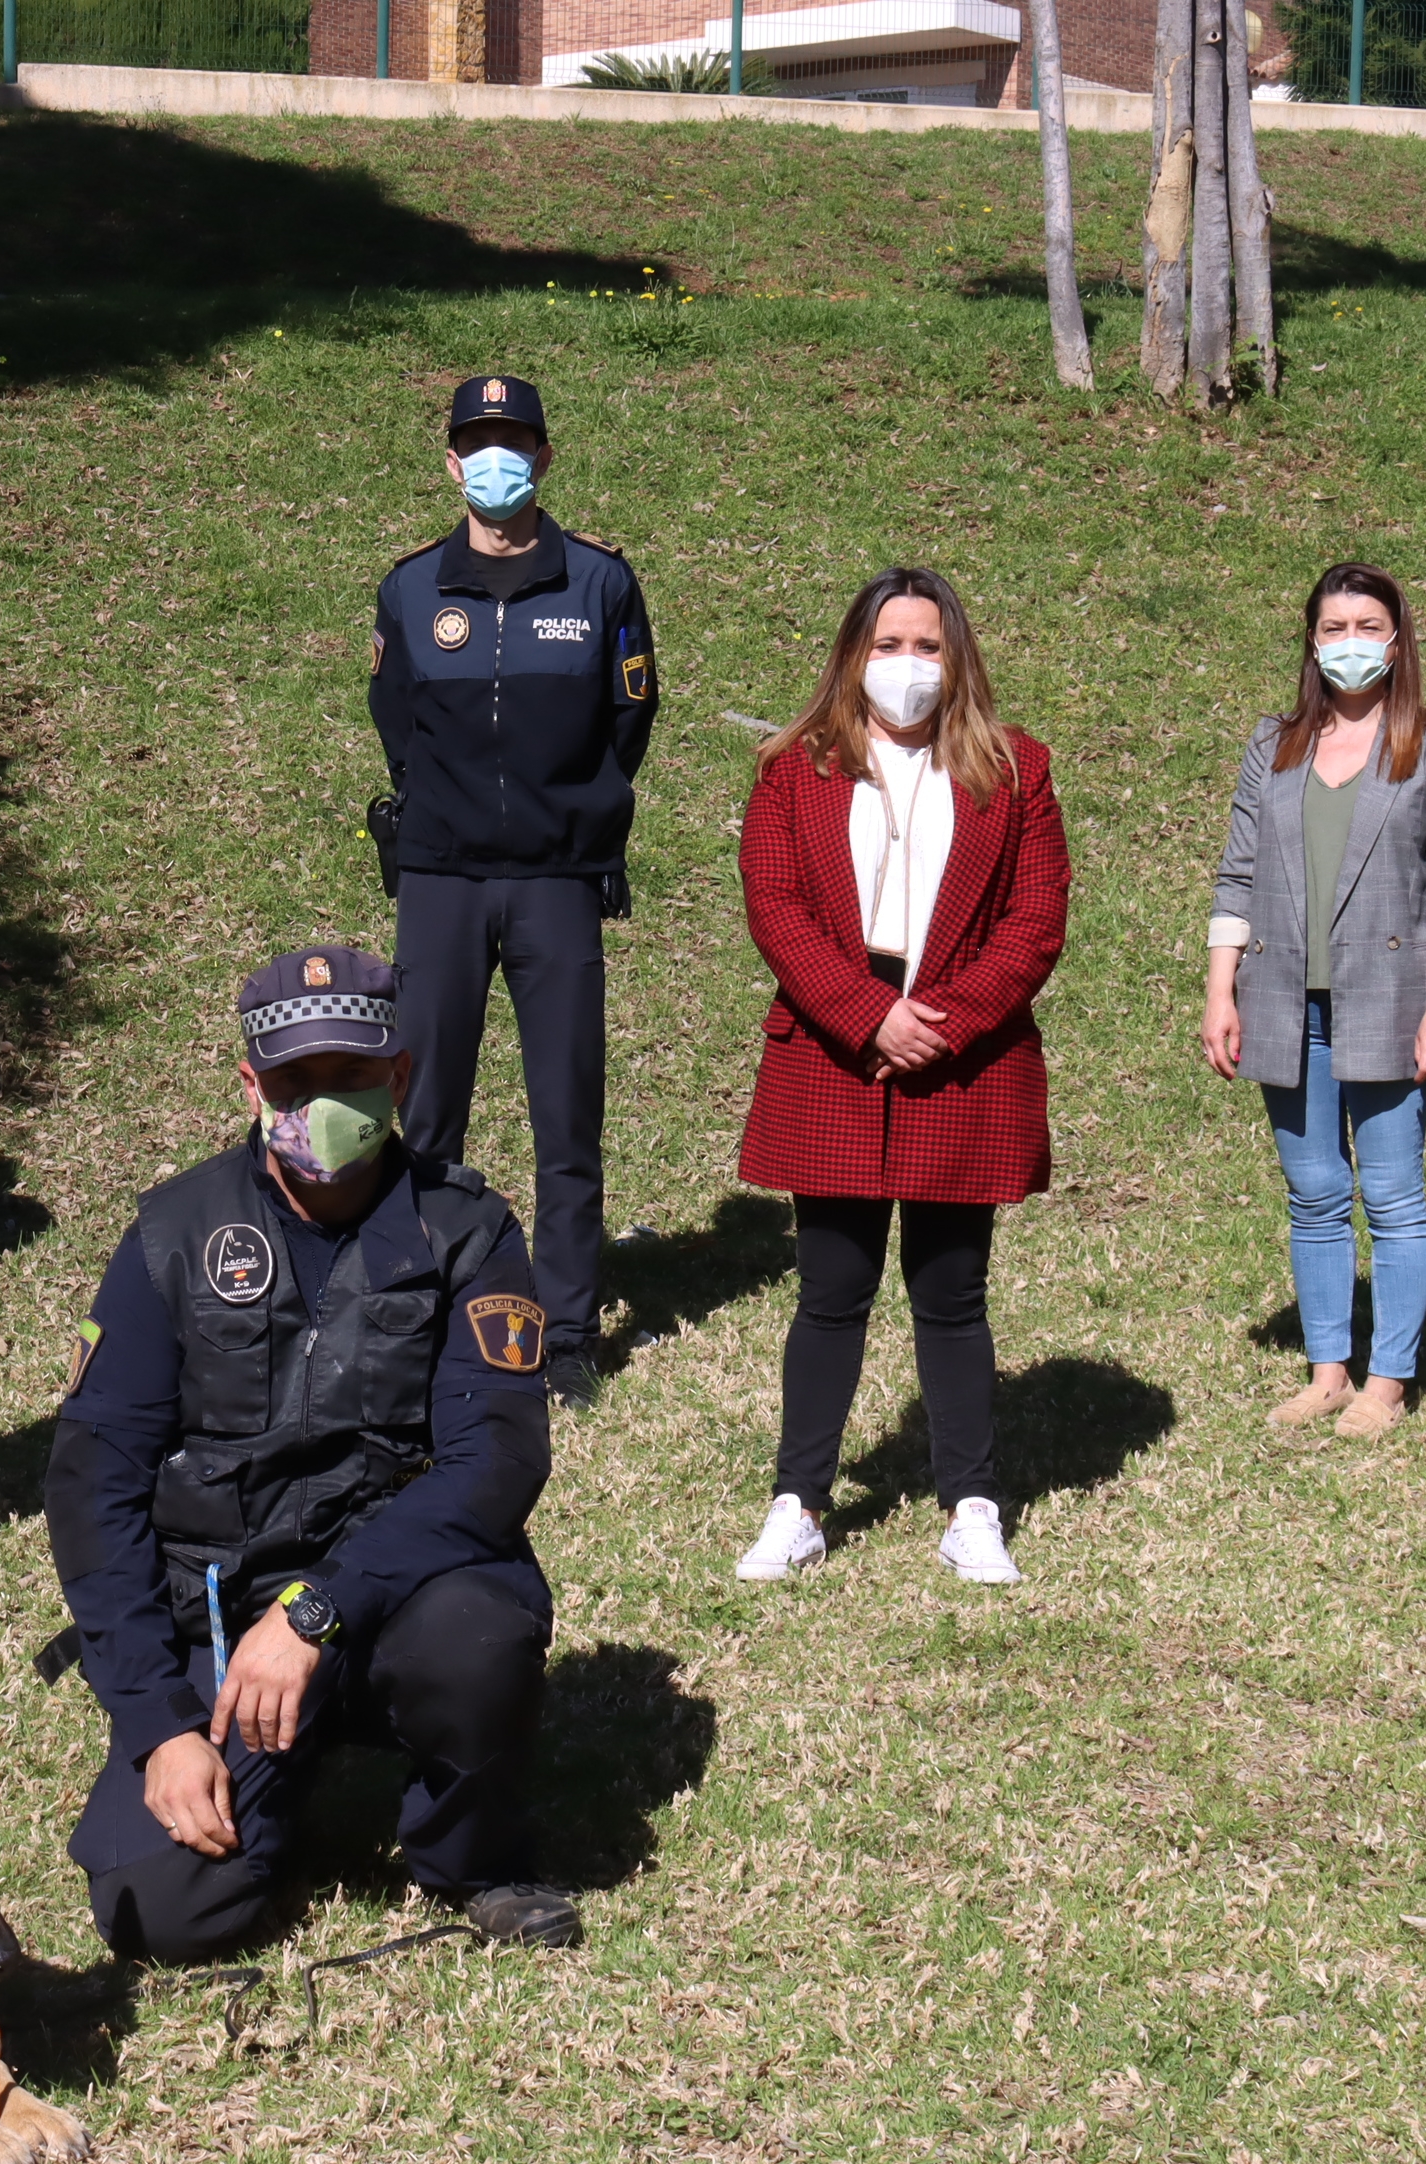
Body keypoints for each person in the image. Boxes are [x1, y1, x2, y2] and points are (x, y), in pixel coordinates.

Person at [42, 946, 578, 1965]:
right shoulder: (172, 1234)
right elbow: (93, 1486)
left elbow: (495, 1462)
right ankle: (269, 1777)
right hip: (221, 1609)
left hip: (389, 1598)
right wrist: (160, 1725)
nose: (321, 1105)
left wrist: (316, 1610)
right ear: (251, 1085)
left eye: (348, 1080)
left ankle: (470, 1855)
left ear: (400, 1077)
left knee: (476, 1636)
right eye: (294, 1083)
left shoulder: (466, 1230)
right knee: (160, 1912)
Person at [731, 568, 1066, 1587]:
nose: (907, 666)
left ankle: (970, 1506)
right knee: (831, 1290)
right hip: (838, 1044)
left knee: (950, 1293)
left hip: (961, 1053)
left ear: (956, 658)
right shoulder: (794, 770)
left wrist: (945, 1022)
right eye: (887, 645)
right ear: (851, 656)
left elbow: (1034, 922)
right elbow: (776, 905)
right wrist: (866, 1012)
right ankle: (799, 1502)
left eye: (927, 646)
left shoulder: (1017, 772)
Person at [367, 373, 658, 1412]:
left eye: (514, 440)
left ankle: (568, 1329)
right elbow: (395, 720)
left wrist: (570, 817)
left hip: (554, 883)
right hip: (441, 882)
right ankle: (423, 1310)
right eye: (474, 442)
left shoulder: (599, 585)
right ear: (449, 461)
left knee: (565, 1115)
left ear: (544, 457)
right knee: (425, 1112)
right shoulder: (408, 590)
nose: (494, 459)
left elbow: (628, 721)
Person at [1199, 563, 1426, 1439]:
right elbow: (1238, 872)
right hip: (1285, 998)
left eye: (1368, 626)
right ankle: (1329, 1369)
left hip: (1394, 1002)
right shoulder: (1274, 744)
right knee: (1314, 1190)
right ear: (1312, 640)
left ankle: (1388, 1380)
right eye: (1333, 628)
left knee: (1393, 1194)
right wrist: (1221, 989)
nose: (1350, 642)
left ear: (1397, 640)